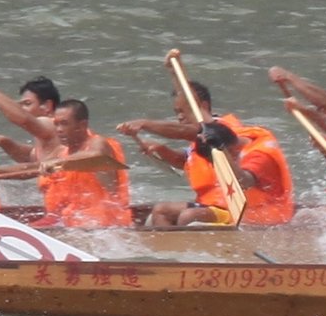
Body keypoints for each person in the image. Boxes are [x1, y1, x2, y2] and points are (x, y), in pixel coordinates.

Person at [121, 74, 295, 227]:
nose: (180, 116)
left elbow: (243, 181)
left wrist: (145, 124)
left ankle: (191, 256)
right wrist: (163, 151)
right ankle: (173, 255)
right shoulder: (208, 139)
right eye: (177, 111)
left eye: (184, 111)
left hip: (258, 215)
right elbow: (190, 161)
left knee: (189, 215)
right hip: (221, 204)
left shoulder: (242, 143)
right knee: (161, 211)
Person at [0, 96, 131, 228]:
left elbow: (95, 156)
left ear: (82, 125)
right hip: (68, 225)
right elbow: (32, 168)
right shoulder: (61, 152)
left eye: (64, 124)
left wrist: (57, 162)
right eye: (57, 124)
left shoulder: (100, 143)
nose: (59, 130)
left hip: (105, 229)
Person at [0, 74, 61, 166]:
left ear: (47, 106)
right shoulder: (44, 135)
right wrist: (4, 142)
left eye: (27, 104)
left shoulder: (52, 124)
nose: (23, 109)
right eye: (21, 105)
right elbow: (29, 158)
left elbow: (24, 120)